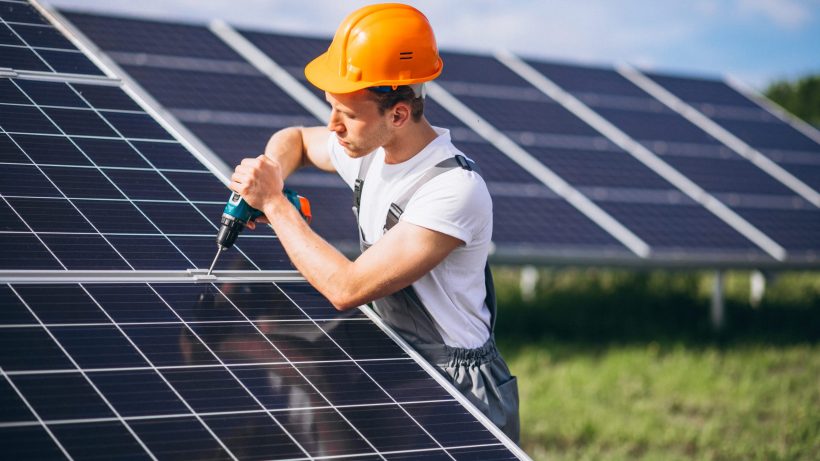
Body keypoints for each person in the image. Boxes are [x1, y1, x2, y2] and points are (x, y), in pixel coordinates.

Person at [229, 3, 519, 442]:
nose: (333, 127)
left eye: (345, 114)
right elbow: (295, 140)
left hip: (455, 384)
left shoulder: (452, 189)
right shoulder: (369, 151)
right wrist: (269, 170)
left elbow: (347, 288)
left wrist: (274, 203)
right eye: (330, 108)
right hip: (396, 352)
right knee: (288, 348)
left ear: (398, 114)